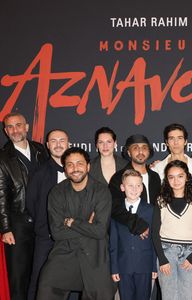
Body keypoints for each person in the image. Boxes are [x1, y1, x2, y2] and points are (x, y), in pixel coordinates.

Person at [37, 147, 115, 299]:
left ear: (88, 166)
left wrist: (72, 223)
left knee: (102, 293)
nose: (75, 168)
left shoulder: (101, 192)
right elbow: (57, 232)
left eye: (79, 163)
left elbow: (99, 231)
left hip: (95, 253)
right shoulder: (57, 192)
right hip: (65, 252)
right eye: (70, 164)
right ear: (65, 169)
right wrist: (87, 225)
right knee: (46, 287)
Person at [0, 112, 48, 300]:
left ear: (27, 127)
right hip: (18, 224)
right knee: (19, 277)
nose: (15, 130)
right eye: (10, 127)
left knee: (41, 274)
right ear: (5, 131)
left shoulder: (40, 150)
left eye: (18, 125)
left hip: (43, 222)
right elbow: (1, 195)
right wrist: (6, 228)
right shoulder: (3, 157)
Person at [26, 129, 69, 300]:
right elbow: (31, 203)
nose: (58, 144)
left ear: (68, 144)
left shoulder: (79, 171)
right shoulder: (40, 172)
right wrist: (45, 228)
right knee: (39, 279)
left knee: (71, 281)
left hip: (74, 238)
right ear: (47, 145)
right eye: (54, 141)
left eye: (62, 140)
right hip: (47, 237)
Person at [152, 160, 192, 300]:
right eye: (171, 177)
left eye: (180, 176)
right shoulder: (161, 200)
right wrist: (162, 259)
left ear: (187, 177)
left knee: (188, 295)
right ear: (166, 179)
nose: (176, 181)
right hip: (167, 252)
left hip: (189, 253)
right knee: (169, 296)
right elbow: (155, 231)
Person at [110, 169, 157, 300]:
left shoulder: (151, 210)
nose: (134, 189)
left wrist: (154, 266)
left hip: (144, 265)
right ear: (122, 187)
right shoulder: (116, 211)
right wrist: (114, 267)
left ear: (142, 188)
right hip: (123, 265)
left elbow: (154, 240)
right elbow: (113, 241)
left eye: (138, 185)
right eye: (130, 185)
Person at [109, 134, 161, 236]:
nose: (140, 152)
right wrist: (136, 224)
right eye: (136, 148)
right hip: (128, 230)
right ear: (129, 152)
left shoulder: (155, 177)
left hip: (154, 230)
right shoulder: (119, 177)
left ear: (149, 151)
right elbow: (114, 206)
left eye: (144, 148)